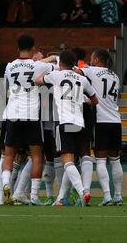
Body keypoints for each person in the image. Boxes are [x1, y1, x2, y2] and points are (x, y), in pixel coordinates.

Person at [35, 49, 98, 207]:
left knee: (67, 161)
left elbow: (37, 79)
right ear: (74, 63)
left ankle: (83, 191)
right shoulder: (81, 79)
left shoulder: (56, 75)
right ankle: (61, 198)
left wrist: (53, 67)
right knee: (73, 160)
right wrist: (85, 100)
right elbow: (95, 100)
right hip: (80, 123)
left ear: (60, 62)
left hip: (63, 121)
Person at [0, 34, 57, 206]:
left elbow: (6, 87)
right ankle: (33, 196)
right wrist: (48, 58)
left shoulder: (9, 66)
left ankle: (6, 186)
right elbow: (58, 67)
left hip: (12, 113)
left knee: (9, 154)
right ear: (33, 48)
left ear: (17, 48)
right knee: (37, 155)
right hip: (31, 115)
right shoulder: (38, 65)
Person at [77, 48, 124, 206]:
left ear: (97, 60)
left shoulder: (92, 71)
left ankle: (107, 196)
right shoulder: (115, 76)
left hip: (101, 120)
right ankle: (118, 195)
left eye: (92, 58)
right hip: (116, 121)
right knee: (116, 160)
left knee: (101, 161)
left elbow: (75, 71)